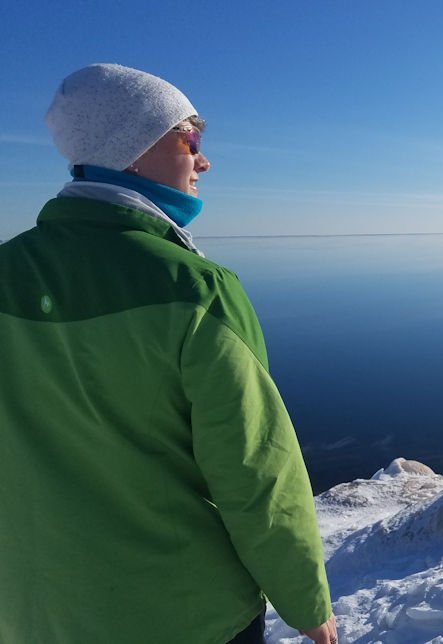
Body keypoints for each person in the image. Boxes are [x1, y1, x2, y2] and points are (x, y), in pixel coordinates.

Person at [0, 64, 337, 644]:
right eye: (191, 135)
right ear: (130, 147)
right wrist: (308, 605)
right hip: (186, 613)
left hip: (35, 611)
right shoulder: (195, 290)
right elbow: (256, 473)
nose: (203, 159)